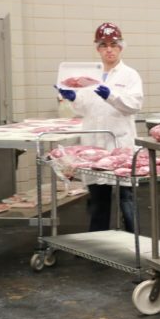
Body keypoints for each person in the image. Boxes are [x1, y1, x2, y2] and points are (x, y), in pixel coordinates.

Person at [58, 22, 143, 232]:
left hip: (119, 144)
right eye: (104, 45)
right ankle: (97, 243)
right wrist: (73, 98)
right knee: (97, 200)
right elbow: (84, 109)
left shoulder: (130, 75)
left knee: (126, 198)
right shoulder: (89, 76)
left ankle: (135, 244)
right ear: (97, 48)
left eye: (113, 44)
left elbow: (134, 105)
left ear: (121, 47)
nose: (109, 49)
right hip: (94, 145)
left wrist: (110, 95)